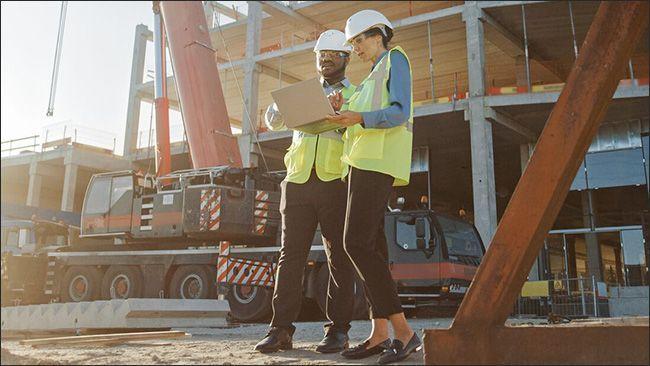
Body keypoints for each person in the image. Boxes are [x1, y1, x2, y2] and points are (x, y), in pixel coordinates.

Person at [254, 29, 358, 354]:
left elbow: (357, 130)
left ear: (345, 58)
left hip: (335, 182)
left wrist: (339, 115)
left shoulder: (356, 94)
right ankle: (280, 330)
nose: (325, 60)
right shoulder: (304, 93)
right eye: (320, 55)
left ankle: (338, 332)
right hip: (298, 181)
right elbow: (272, 121)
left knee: (338, 258)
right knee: (290, 258)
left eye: (331, 55)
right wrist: (277, 111)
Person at [326, 10, 420, 364]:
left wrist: (358, 117)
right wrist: (342, 111)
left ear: (378, 34)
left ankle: (405, 333)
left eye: (359, 41)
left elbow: (399, 111)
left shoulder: (396, 60)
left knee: (355, 243)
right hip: (360, 165)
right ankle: (380, 334)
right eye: (353, 43)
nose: (356, 49)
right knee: (372, 248)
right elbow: (359, 117)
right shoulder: (370, 77)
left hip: (377, 165)